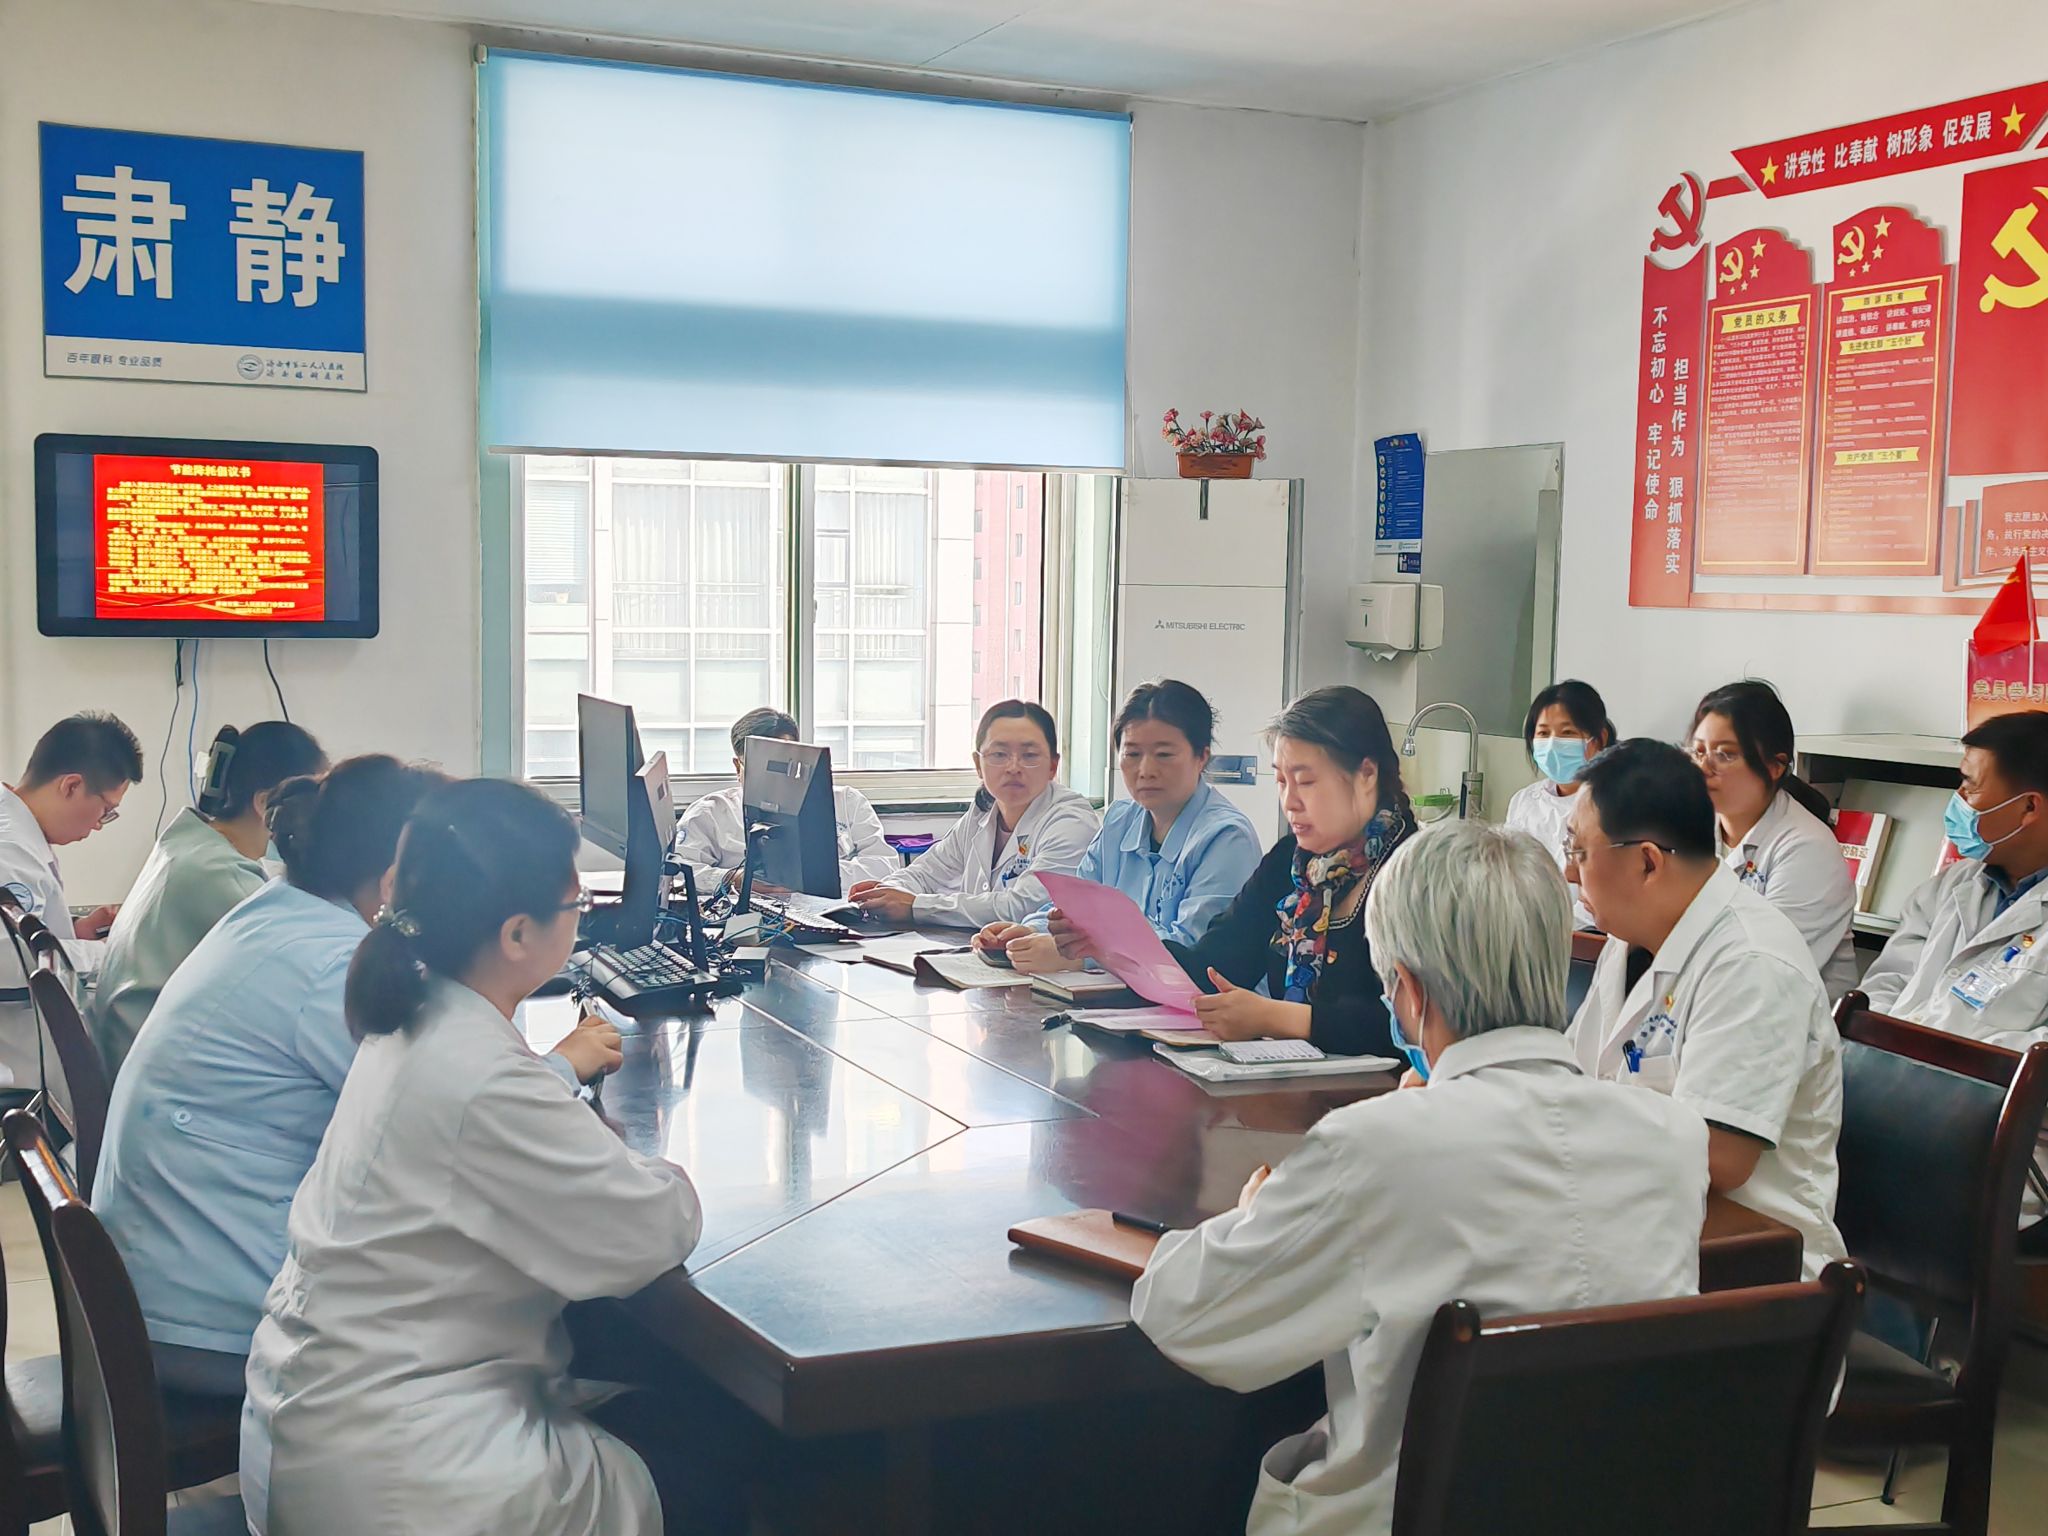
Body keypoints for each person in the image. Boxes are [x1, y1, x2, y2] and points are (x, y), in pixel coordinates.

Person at [1132, 819, 1708, 1536]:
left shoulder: (1376, 1147)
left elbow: (1187, 1318)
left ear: (1405, 990)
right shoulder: (1672, 1137)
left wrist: (1252, 1214)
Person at [240, 777, 722, 1536]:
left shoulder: (416, 1014)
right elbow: (652, 1231)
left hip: (326, 1422)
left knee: (654, 1396)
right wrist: (652, 1169)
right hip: (406, 1478)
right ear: (518, 935)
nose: (583, 918)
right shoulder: (480, 1072)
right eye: (576, 904)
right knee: (740, 1464)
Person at [1564, 738, 1845, 1278]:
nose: (1570, 872)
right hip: (1636, 1221)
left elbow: (1719, 1157)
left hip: (1746, 1264)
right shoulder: (1629, 940)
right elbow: (1576, 1074)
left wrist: (1563, 1132)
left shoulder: (1751, 961)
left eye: (1579, 851)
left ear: (1647, 862)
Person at [1856, 710, 2048, 1254]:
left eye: (1970, 786)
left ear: (2029, 807)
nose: (1958, 801)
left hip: (2009, 1149)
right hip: (1896, 1109)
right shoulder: (1950, 888)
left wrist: (1932, 1047)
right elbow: (1884, 989)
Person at [1149, 686, 1417, 1055]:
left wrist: (1280, 1018)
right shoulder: (1292, 861)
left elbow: (1420, 1022)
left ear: (1366, 774)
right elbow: (1216, 964)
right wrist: (1115, 946)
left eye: (1305, 782)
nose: (1290, 802)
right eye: (1281, 781)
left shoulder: (1416, 871)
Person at [89, 721, 328, 1077]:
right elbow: (306, 979)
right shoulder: (219, 874)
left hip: (133, 1051)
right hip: (153, 1071)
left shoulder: (190, 845)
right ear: (265, 803)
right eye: (313, 803)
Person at [971, 680, 1261, 970]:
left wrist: (1081, 955)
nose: (1146, 771)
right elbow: (1074, 907)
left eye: (1164, 755)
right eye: (1132, 754)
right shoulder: (1119, 820)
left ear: (1201, 757)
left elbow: (1195, 952)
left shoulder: (1226, 838)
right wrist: (1029, 931)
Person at [848, 700, 1098, 928]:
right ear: (978, 764)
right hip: (977, 952)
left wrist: (915, 906)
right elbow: (926, 872)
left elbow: (1022, 908)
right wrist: (888, 892)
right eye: (999, 755)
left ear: (1053, 766)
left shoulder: (1071, 821)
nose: (1013, 767)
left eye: (1029, 756)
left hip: (1039, 958)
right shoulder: (982, 812)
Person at [0, 711, 143, 1099]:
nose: (98, 824)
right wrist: (107, 952)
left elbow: (24, 934)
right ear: (71, 786)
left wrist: (75, 933)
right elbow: (10, 962)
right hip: (20, 1072)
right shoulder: (10, 850)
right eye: (106, 809)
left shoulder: (18, 831)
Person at [1690, 680, 1857, 998]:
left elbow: (1764, 967)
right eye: (1698, 752)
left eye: (1724, 754)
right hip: (1707, 1000)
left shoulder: (1808, 848)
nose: (1704, 767)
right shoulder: (1687, 828)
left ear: (1774, 766)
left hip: (1785, 1015)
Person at [674, 707, 896, 898]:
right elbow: (676, 872)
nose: (775, 778)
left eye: (783, 765)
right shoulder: (710, 812)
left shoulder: (848, 802)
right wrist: (732, 878)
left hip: (832, 911)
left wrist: (820, 876)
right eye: (762, 766)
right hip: (752, 914)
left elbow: (884, 865)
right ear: (737, 766)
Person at [1504, 679, 1613, 930]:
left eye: (1567, 733)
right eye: (1543, 733)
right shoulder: (1524, 801)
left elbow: (1603, 898)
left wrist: (1552, 929)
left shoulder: (1612, 803)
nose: (1553, 744)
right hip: (1520, 931)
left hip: (1583, 935)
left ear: (1598, 739)